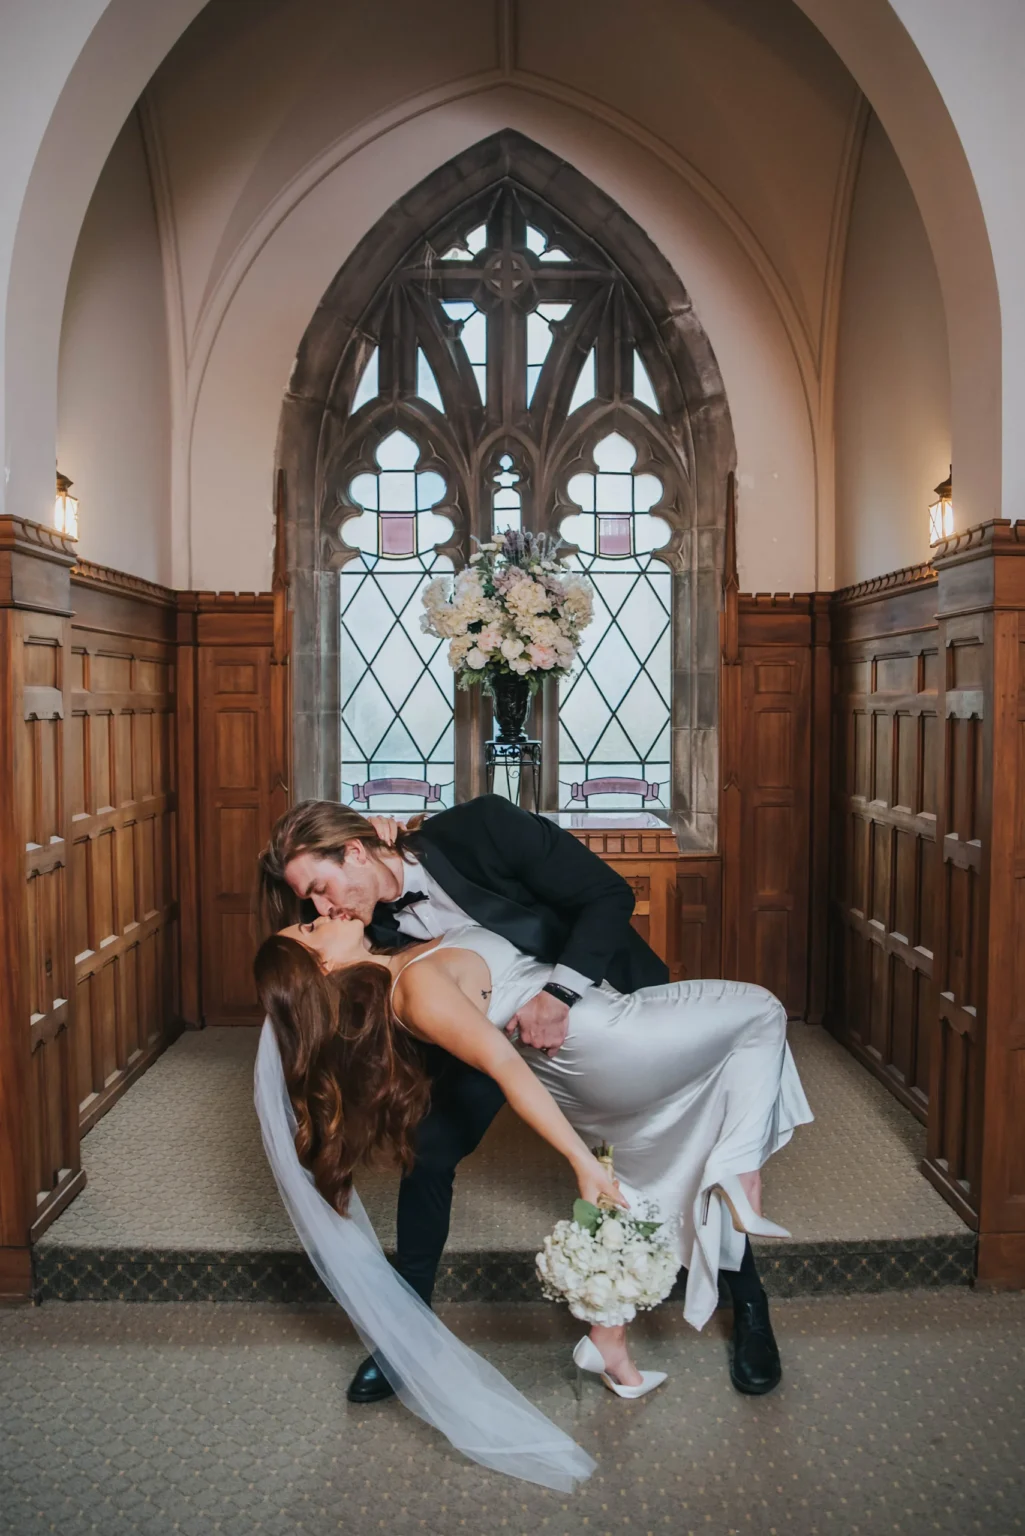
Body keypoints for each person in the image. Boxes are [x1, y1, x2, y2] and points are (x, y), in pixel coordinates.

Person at [256, 795, 792, 1400]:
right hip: (486, 1032)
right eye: (311, 906)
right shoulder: (359, 924)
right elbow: (308, 974)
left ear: (355, 851)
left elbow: (608, 896)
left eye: (323, 889)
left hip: (584, 996)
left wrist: (561, 995)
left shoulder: (484, 828)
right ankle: (404, 1334)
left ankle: (748, 1304)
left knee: (667, 1137)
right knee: (428, 1152)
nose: (323, 907)